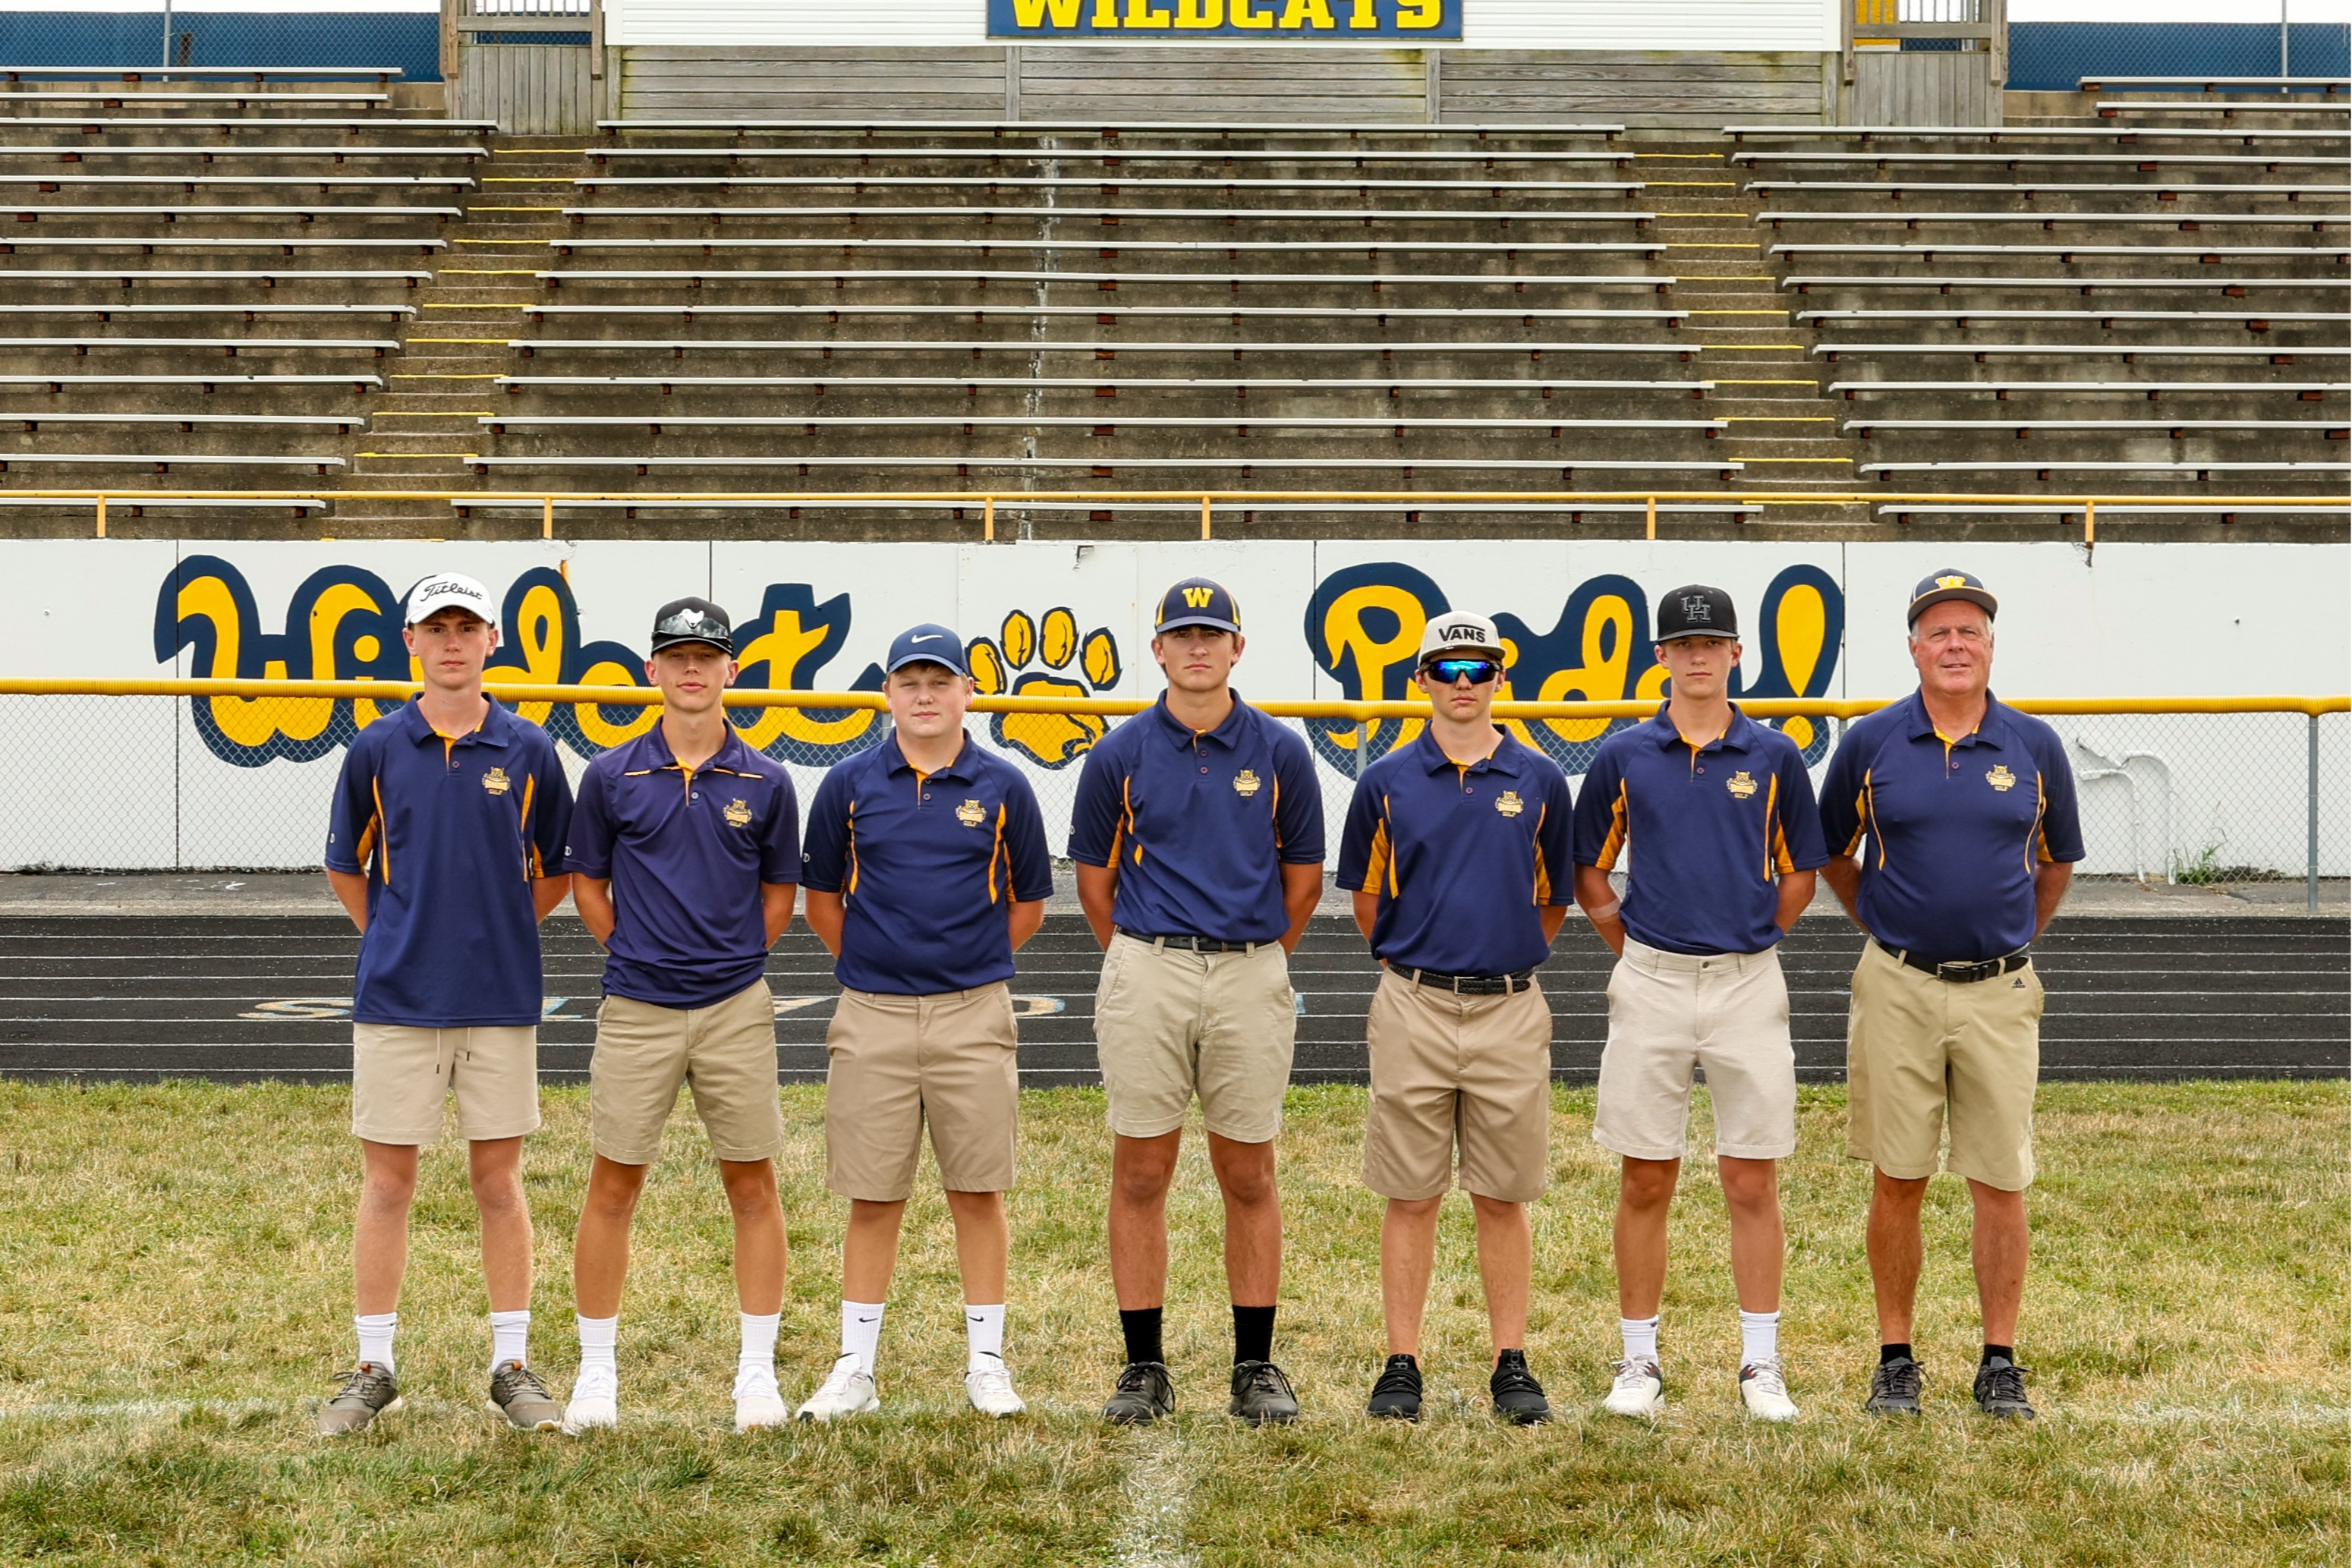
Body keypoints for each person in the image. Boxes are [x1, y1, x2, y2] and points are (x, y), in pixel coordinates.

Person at [1819, 569, 2082, 1421]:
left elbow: (2056, 865)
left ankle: (1999, 1358)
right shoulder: (1868, 742)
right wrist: (1889, 924)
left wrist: (2005, 936)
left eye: (1970, 630)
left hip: (2000, 991)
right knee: (1899, 1176)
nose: (1955, 644)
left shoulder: (2034, 745)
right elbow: (1833, 852)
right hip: (1898, 984)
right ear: (1913, 646)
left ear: (1991, 643)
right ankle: (1896, 1356)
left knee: (1999, 1179)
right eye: (1939, 632)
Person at [317, 571, 575, 1436]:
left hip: (499, 997)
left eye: (468, 625)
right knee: (388, 1184)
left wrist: (493, 927)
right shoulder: (378, 749)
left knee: (498, 1180)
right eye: (438, 627)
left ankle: (511, 1360)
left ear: (493, 640)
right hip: (397, 998)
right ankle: (372, 1364)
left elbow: (555, 873)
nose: (453, 641)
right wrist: (397, 932)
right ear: (412, 642)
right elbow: (346, 867)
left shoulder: (532, 750)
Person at [1067, 578, 1325, 1427]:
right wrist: (1149, 958)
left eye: (1213, 632)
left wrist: (1252, 958)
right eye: (1182, 633)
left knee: (1248, 1168)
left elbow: (1302, 879)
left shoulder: (1282, 751)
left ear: (1239, 648)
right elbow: (1096, 883)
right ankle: (1144, 1364)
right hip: (1150, 963)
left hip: (1250, 966)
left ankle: (1255, 1362)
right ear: (1160, 649)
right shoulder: (1120, 753)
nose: (1198, 646)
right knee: (1141, 1168)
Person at [1571, 584, 1828, 1425]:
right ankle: (1639, 1356)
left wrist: (1753, 932)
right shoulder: (1624, 754)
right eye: (1682, 643)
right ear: (1660, 656)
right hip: (1651, 976)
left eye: (1712, 641)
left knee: (1750, 1174)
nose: (1698, 655)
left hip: (1747, 980)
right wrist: (1633, 944)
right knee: (1646, 1172)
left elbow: (1799, 874)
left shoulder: (1775, 753)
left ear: (1736, 654)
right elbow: (1592, 871)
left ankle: (1761, 1361)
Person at [792, 625, 1054, 1422]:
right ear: (888, 693)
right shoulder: (846, 783)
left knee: (978, 1190)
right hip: (871, 1011)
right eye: (910, 680)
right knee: (872, 1195)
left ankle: (986, 1363)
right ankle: (855, 1368)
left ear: (968, 691)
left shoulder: (1005, 786)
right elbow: (824, 902)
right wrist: (885, 966)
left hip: (973, 1011)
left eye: (941, 680)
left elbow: (1029, 905)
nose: (926, 694)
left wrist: (958, 966)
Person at [558, 597, 801, 1435]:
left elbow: (779, 894)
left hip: (735, 1003)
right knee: (614, 1180)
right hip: (637, 1005)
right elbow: (588, 879)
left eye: (708, 654)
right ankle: (596, 1371)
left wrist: (733, 958)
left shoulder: (767, 780)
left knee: (753, 1181)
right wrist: (630, 947)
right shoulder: (610, 773)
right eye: (676, 655)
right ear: (652, 670)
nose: (692, 669)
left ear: (731, 668)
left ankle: (756, 1375)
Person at [1335, 612, 1576, 1425]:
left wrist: (1497, 955)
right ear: (1421, 680)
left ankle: (1511, 1359)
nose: (1463, 682)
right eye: (1447, 668)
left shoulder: (1540, 779)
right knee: (1411, 1192)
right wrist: (1421, 962)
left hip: (1510, 1002)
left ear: (1502, 677)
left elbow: (1552, 901)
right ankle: (1403, 1359)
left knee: (1502, 1194)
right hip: (1414, 1000)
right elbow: (1367, 898)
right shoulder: (1387, 781)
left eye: (1478, 667)